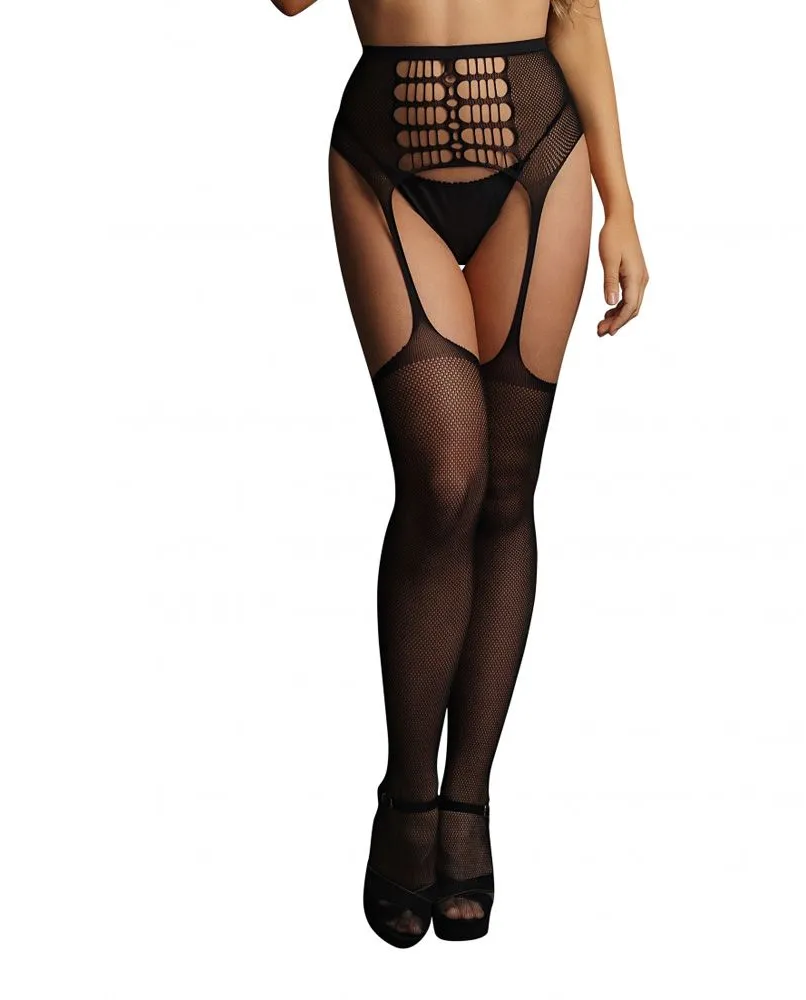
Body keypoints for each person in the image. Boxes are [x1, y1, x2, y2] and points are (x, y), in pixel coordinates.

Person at [270, 0, 649, 946]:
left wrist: (622, 206)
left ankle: (467, 800)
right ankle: (408, 794)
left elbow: (577, 14)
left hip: (539, 157)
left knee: (506, 489)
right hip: (385, 161)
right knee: (445, 479)